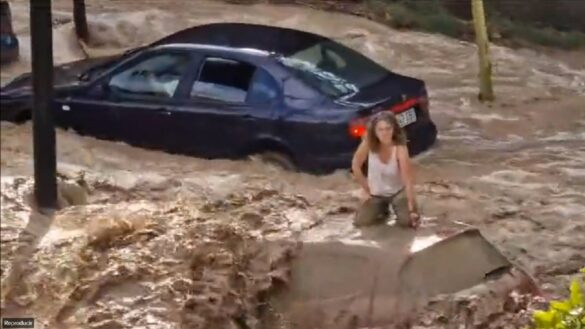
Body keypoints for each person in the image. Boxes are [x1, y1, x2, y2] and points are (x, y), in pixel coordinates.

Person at [351, 111, 421, 228]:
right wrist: (366, 188)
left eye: (388, 129)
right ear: (375, 131)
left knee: (407, 222)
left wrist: (412, 207)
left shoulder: (400, 148)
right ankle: (382, 210)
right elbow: (355, 165)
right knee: (360, 222)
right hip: (376, 194)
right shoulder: (368, 143)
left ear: (394, 130)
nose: (384, 133)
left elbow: (407, 179)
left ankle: (410, 207)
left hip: (397, 192)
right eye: (380, 129)